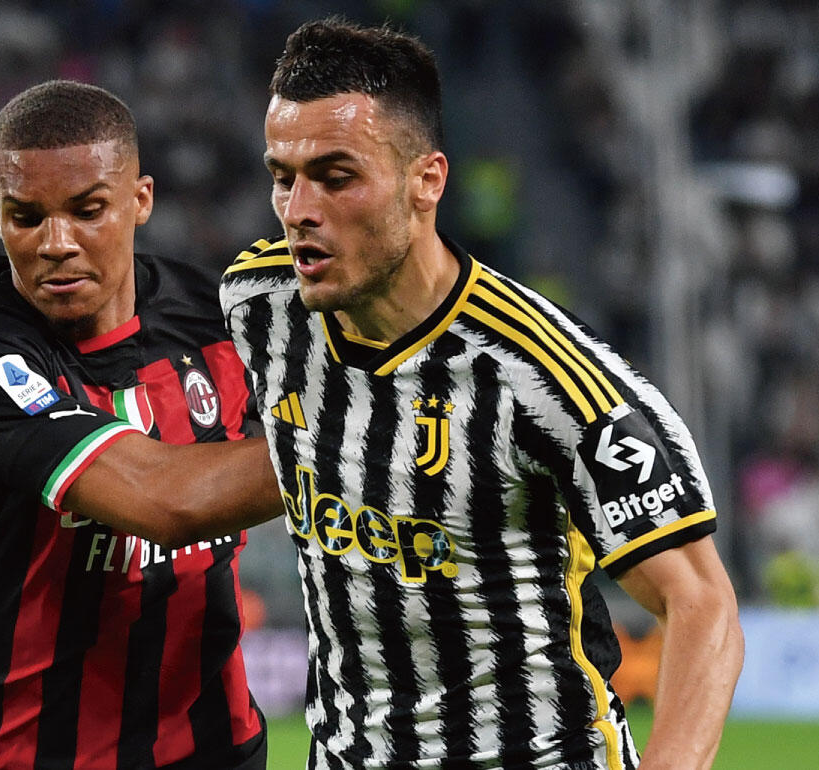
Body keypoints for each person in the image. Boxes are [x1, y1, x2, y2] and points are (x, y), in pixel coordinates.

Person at [220, 18, 745, 769]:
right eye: (283, 177)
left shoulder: (545, 374)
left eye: (336, 177)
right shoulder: (261, 304)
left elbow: (701, 604)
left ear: (426, 181)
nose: (300, 208)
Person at [0, 80, 280, 770]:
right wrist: (355, 440)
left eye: (87, 210)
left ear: (141, 200)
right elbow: (162, 500)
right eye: (26, 216)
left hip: (217, 749)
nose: (56, 243)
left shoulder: (217, 316)